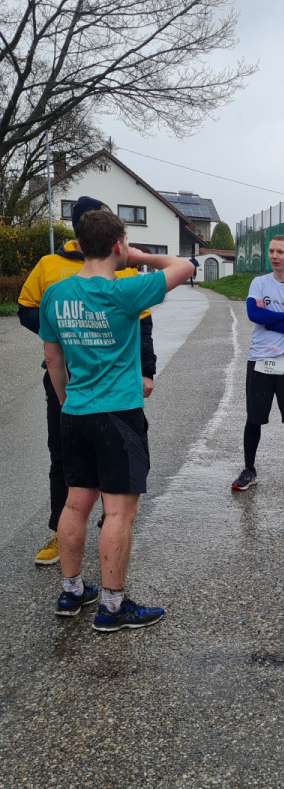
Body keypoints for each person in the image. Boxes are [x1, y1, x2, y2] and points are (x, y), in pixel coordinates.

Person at [38, 209, 194, 629]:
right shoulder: (126, 290)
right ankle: (111, 607)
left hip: (75, 412)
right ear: (117, 245)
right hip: (118, 416)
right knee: (118, 512)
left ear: (79, 245)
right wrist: (140, 257)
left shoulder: (55, 294)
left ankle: (72, 591)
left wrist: (68, 403)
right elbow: (185, 266)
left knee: (75, 503)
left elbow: (53, 359)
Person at [18, 196, 157, 566]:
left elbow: (144, 324)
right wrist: (70, 332)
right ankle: (60, 532)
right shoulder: (49, 265)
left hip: (97, 387)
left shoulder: (122, 271)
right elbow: (25, 310)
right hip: (70, 381)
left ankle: (102, 533)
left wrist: (147, 370)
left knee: (104, 469)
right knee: (63, 460)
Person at [232, 235, 284, 494]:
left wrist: (268, 320)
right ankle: (249, 470)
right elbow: (253, 314)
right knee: (254, 418)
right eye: (271, 251)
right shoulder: (259, 283)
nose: (274, 256)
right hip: (259, 358)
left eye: (280, 252)